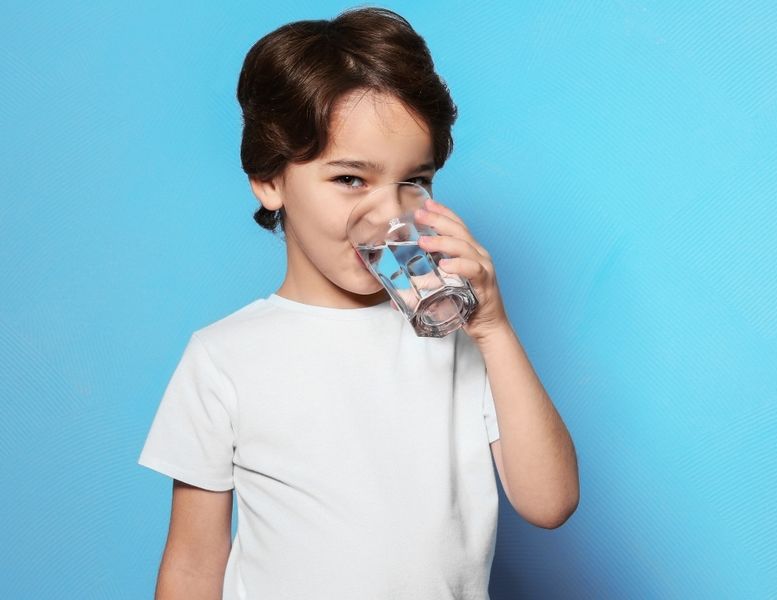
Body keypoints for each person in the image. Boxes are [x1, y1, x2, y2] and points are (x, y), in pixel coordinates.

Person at [137, 7, 579, 600]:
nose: (389, 213)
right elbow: (193, 566)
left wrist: (494, 330)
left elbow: (550, 503)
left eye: (414, 181)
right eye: (351, 179)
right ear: (270, 179)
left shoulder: (456, 335)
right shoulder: (222, 358)